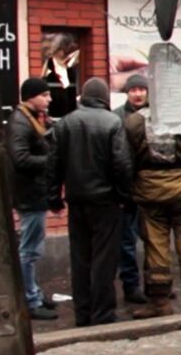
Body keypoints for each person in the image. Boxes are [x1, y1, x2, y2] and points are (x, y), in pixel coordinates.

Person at [48, 78, 133, 326]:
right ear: (105, 97)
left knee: (80, 258)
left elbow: (53, 164)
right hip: (105, 201)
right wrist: (124, 196)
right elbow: (122, 164)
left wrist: (53, 197)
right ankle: (103, 313)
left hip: (76, 199)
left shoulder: (65, 123)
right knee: (104, 259)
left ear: (83, 96)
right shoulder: (112, 122)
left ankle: (82, 313)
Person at [122, 99, 181, 317]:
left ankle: (160, 302)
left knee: (155, 244)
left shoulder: (134, 121)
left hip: (150, 191)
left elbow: (126, 159)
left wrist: (131, 186)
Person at [8, 78, 60, 321]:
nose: (49, 99)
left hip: (34, 192)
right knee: (29, 250)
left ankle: (35, 294)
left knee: (32, 248)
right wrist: (50, 162)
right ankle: (30, 300)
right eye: (45, 95)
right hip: (29, 194)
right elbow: (20, 158)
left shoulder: (33, 118)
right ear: (32, 96)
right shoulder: (21, 122)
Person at [112, 73, 150, 305]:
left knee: (154, 240)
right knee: (127, 242)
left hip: (151, 186)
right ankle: (131, 285)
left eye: (140, 89)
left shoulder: (155, 116)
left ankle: (155, 285)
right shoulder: (117, 117)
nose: (137, 94)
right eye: (132, 90)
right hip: (127, 189)